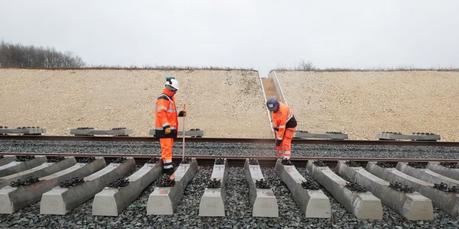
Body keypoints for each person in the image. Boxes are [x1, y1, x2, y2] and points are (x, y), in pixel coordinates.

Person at [155, 76, 186, 175]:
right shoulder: (163, 98)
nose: (175, 92)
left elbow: (169, 114)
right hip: (165, 129)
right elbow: (161, 113)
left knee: (168, 148)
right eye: (174, 90)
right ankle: (168, 169)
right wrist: (166, 126)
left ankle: (167, 165)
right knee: (166, 148)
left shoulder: (170, 98)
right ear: (169, 88)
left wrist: (179, 114)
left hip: (169, 129)